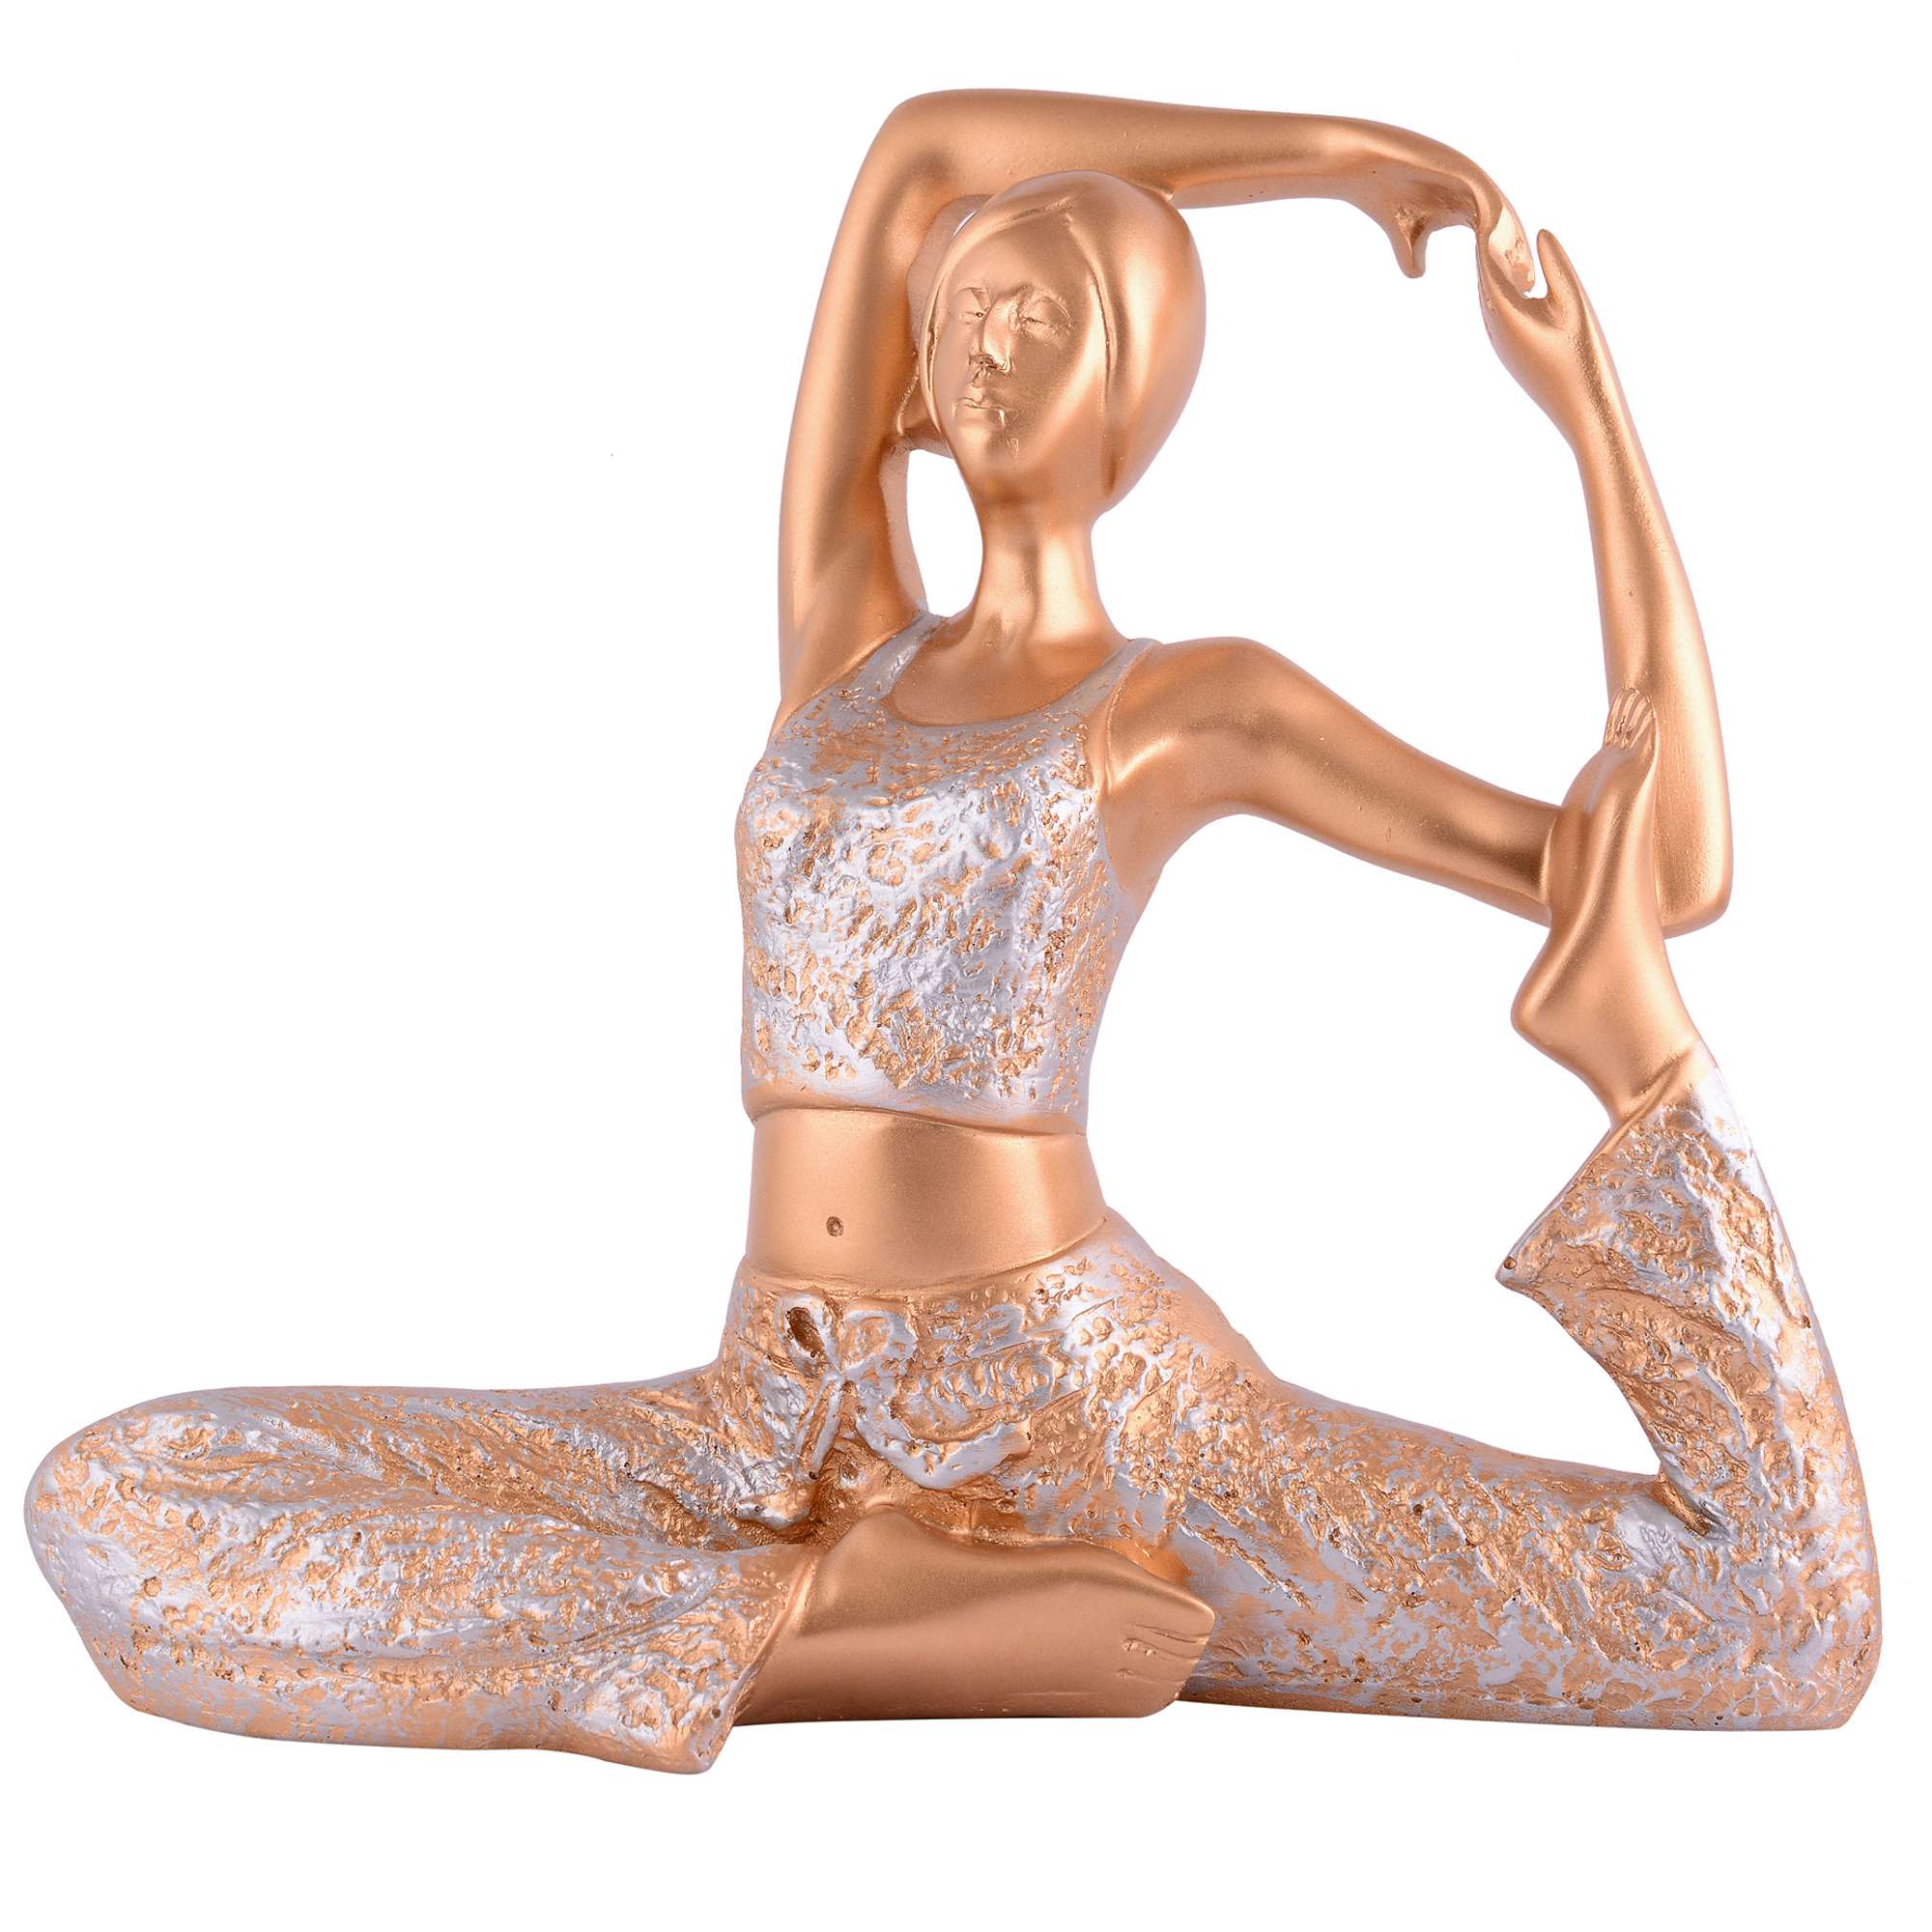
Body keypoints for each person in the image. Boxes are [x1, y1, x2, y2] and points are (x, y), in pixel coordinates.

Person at [25, 93, 1877, 1772]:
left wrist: (1584, 412)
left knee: (1763, 1624)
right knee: (126, 1501)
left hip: (1090, 1432)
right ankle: (836, 1632)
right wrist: (1331, 158)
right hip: (772, 1428)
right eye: (970, 312)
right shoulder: (842, 647)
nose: (985, 349)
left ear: (1133, 389)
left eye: (1044, 321)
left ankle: (855, 1614)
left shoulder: (1180, 706)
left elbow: (1670, 862)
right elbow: (920, 148)